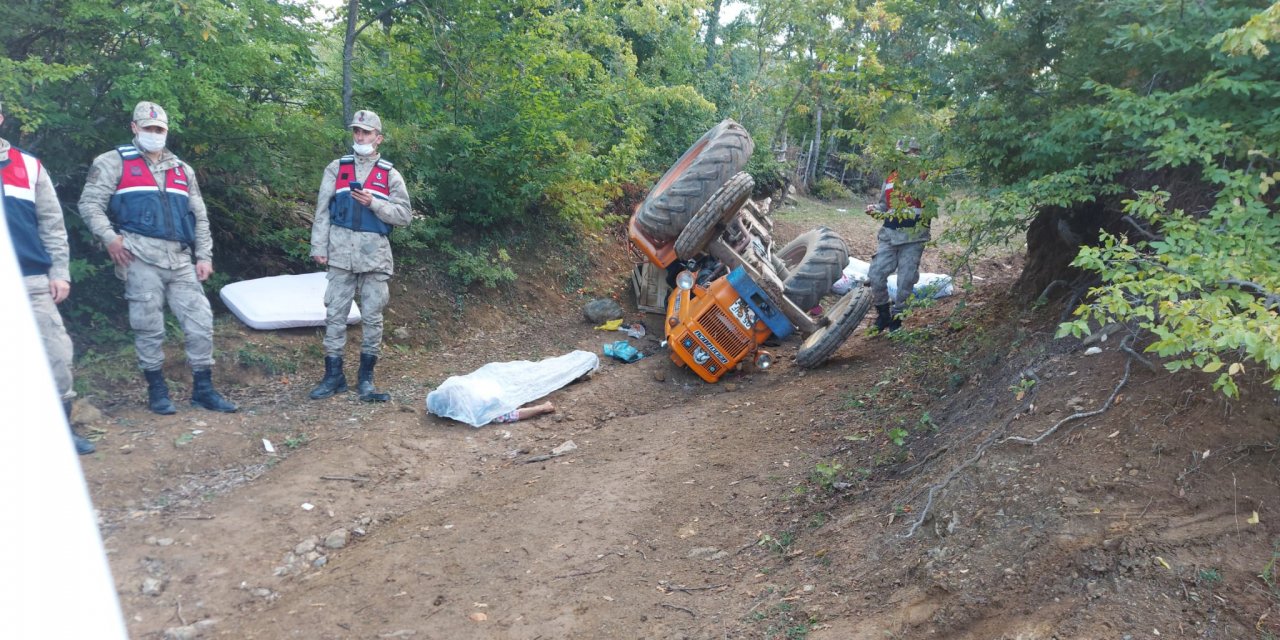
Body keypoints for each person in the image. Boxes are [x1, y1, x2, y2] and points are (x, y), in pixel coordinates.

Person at [78, 101, 237, 415]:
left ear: (166, 131)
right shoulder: (113, 162)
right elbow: (89, 204)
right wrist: (110, 238)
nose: (154, 133)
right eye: (148, 128)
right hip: (138, 255)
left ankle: (203, 390)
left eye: (159, 129)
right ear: (135, 127)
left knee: (201, 322)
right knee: (148, 326)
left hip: (179, 257)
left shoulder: (182, 169)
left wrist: (204, 256)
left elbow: (200, 217)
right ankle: (157, 391)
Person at [1, 101, 95, 454]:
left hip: (31, 281)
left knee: (56, 355)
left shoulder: (29, 165)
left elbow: (53, 225)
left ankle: (62, 432)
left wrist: (59, 273)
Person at [308, 110, 413, 402]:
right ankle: (333, 376)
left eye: (366, 132)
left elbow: (405, 216)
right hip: (340, 253)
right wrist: (319, 246)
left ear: (378, 138)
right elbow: (322, 210)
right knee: (335, 314)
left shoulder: (389, 174)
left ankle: (366, 378)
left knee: (372, 316)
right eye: (357, 131)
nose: (360, 136)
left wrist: (374, 203)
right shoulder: (336, 168)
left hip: (375, 256)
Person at [864, 138, 931, 332]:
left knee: (906, 280)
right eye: (902, 155)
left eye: (910, 154)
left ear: (917, 154)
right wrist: (875, 209)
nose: (905, 158)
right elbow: (884, 206)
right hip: (889, 235)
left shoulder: (924, 177)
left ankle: (898, 318)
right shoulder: (891, 177)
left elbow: (928, 204)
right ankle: (883, 314)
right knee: (876, 274)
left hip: (914, 237)